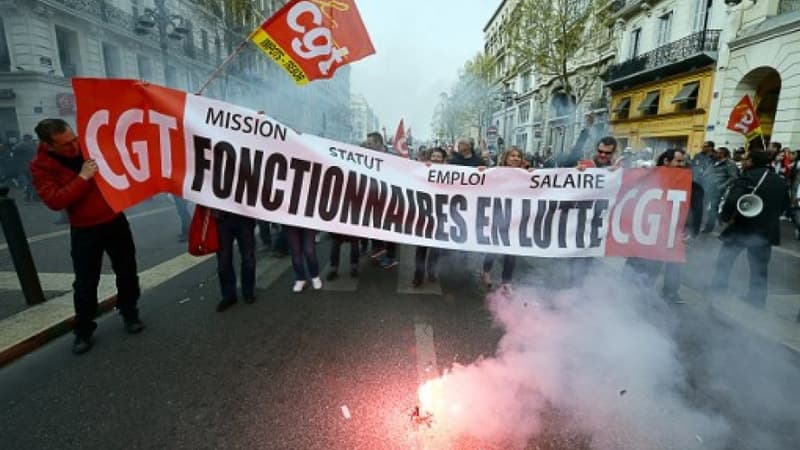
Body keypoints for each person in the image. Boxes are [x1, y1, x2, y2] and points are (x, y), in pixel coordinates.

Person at [30, 118, 143, 354]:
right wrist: (82, 177)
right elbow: (54, 200)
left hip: (114, 218)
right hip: (84, 228)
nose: (74, 147)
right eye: (67, 145)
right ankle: (84, 329)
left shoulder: (89, 143)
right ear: (49, 146)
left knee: (127, 269)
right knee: (85, 282)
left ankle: (130, 312)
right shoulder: (41, 165)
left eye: (74, 139)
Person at [709, 150, 790, 308]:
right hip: (767, 231)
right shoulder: (780, 181)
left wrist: (724, 217)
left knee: (725, 260)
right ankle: (757, 299)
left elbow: (732, 200)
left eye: (746, 159)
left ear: (752, 162)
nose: (743, 161)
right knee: (759, 268)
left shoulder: (747, 177)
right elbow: (785, 205)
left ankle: (719, 288)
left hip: (742, 228)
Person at [479, 146, 525, 295]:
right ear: (506, 158)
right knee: (494, 247)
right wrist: (480, 172)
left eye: (518, 156)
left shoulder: (527, 173)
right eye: (512, 155)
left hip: (516, 217)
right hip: (498, 215)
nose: (515, 158)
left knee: (512, 250)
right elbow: (483, 182)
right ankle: (486, 270)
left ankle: (506, 281)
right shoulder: (495, 172)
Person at [413, 147, 447, 287]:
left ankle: (431, 271)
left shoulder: (452, 173)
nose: (436, 158)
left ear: (444, 159)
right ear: (429, 157)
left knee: (436, 248)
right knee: (421, 247)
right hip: (424, 213)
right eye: (434, 156)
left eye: (439, 156)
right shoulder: (422, 170)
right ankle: (418, 275)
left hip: (441, 214)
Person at [364, 132, 399, 269]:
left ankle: (391, 257)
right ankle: (378, 248)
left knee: (390, 229)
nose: (367, 145)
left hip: (389, 199)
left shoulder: (393, 157)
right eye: (367, 143)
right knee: (373, 224)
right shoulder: (366, 156)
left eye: (370, 143)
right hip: (373, 198)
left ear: (379, 143)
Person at [213, 210, 256, 312]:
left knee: (248, 258)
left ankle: (248, 292)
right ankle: (228, 296)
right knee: (223, 262)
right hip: (223, 219)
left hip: (245, 217)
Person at [704, 147, 739, 233]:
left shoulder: (730, 163)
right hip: (708, 187)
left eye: (718, 152)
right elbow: (707, 172)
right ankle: (719, 218)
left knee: (713, 208)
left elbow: (733, 177)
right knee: (708, 206)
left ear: (723, 154)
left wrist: (722, 186)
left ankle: (709, 227)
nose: (715, 154)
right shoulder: (714, 162)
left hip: (718, 189)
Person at [286, 226, 322, 292]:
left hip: (308, 223)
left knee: (309, 251)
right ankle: (300, 278)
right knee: (295, 251)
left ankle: (315, 276)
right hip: (291, 223)